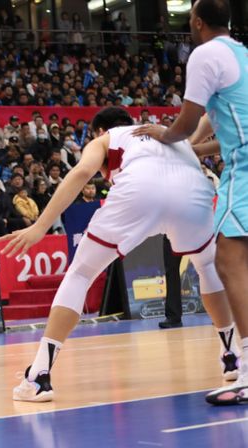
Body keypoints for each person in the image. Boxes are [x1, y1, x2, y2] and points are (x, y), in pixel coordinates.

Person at [1, 107, 239, 402]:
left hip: (139, 192)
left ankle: (39, 376)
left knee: (80, 273)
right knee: (206, 268)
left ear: (100, 130)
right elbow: (215, 126)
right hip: (193, 191)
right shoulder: (168, 134)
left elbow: (82, 172)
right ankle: (231, 356)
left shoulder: (107, 138)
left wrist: (40, 226)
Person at [132, 0, 248, 405]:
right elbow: (222, 124)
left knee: (228, 259)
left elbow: (187, 119)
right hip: (240, 156)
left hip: (244, 169)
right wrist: (196, 149)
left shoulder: (205, 54)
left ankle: (247, 369)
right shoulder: (241, 54)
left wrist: (163, 134)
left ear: (197, 22)